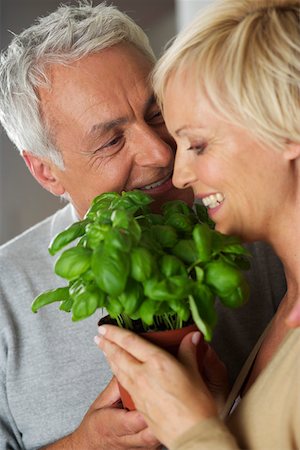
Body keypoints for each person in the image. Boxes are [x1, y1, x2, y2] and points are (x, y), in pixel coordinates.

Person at [0, 1, 286, 449]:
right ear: (45, 171)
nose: (160, 153)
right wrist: (85, 444)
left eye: (157, 113)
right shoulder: (5, 292)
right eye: (111, 140)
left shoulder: (256, 228)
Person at [94, 0, 300, 449]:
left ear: (288, 132)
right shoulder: (290, 303)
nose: (179, 172)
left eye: (199, 144)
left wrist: (191, 431)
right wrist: (228, 411)